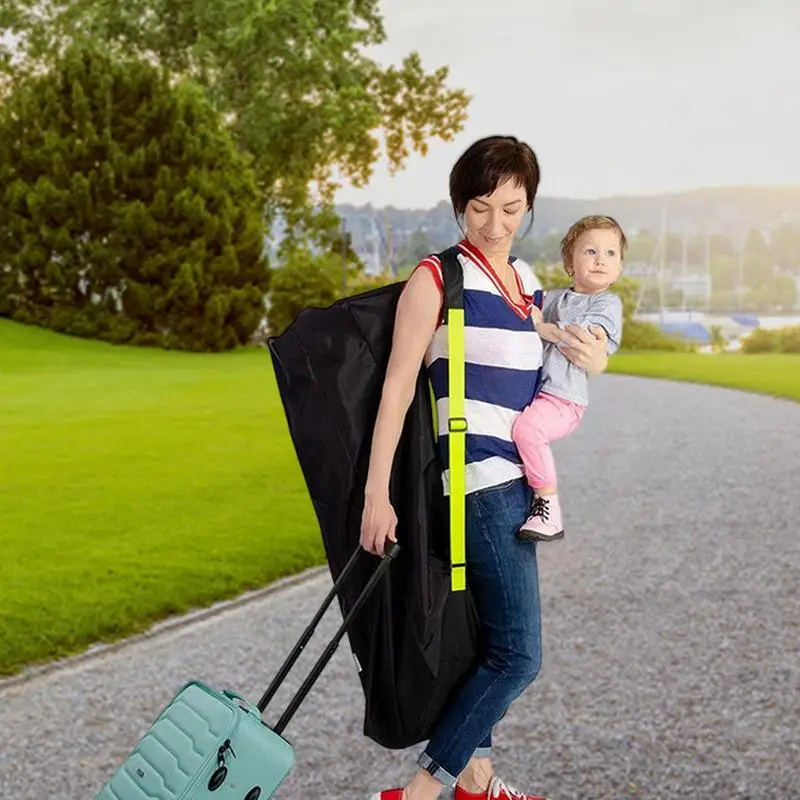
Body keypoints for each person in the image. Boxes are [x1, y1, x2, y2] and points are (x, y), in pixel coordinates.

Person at [359, 136, 610, 800]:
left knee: (483, 642)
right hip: (479, 482)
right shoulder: (437, 278)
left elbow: (575, 348)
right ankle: (420, 792)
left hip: (516, 485)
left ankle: (479, 780)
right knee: (519, 656)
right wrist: (375, 495)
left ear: (528, 208)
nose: (496, 225)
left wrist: (595, 356)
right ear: (458, 205)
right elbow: (395, 389)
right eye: (480, 208)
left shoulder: (527, 281)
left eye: (511, 208)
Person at [512, 215, 626, 542]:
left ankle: (548, 506)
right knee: (519, 430)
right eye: (590, 251)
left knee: (528, 428)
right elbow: (525, 312)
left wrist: (542, 327)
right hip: (541, 393)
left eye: (610, 254)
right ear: (570, 262)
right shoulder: (554, 299)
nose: (601, 260)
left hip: (565, 399)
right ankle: (530, 483)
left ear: (619, 267)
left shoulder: (606, 303)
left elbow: (583, 337)